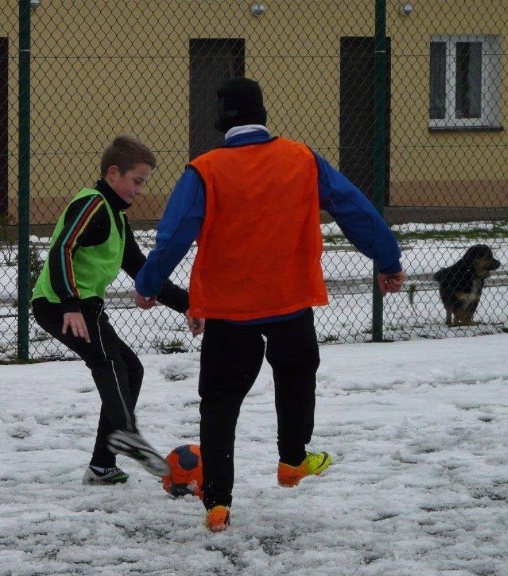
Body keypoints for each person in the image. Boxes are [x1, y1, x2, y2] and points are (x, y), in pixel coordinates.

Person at [135, 77, 407, 531]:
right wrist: (387, 259)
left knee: (220, 401)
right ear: (263, 114)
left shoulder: (204, 169)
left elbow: (175, 232)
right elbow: (353, 207)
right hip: (290, 298)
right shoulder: (302, 159)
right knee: (297, 374)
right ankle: (292, 459)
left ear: (221, 122)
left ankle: (218, 503)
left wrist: (149, 283)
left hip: (228, 308)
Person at [32, 135, 192, 484]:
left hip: (82, 305)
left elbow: (141, 269)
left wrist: (189, 305)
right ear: (113, 173)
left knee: (130, 370)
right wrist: (71, 304)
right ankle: (125, 433)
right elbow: (62, 249)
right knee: (109, 363)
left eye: (143, 183)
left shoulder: (116, 219)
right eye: (137, 181)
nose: (139, 190)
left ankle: (103, 464)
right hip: (63, 304)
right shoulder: (92, 204)